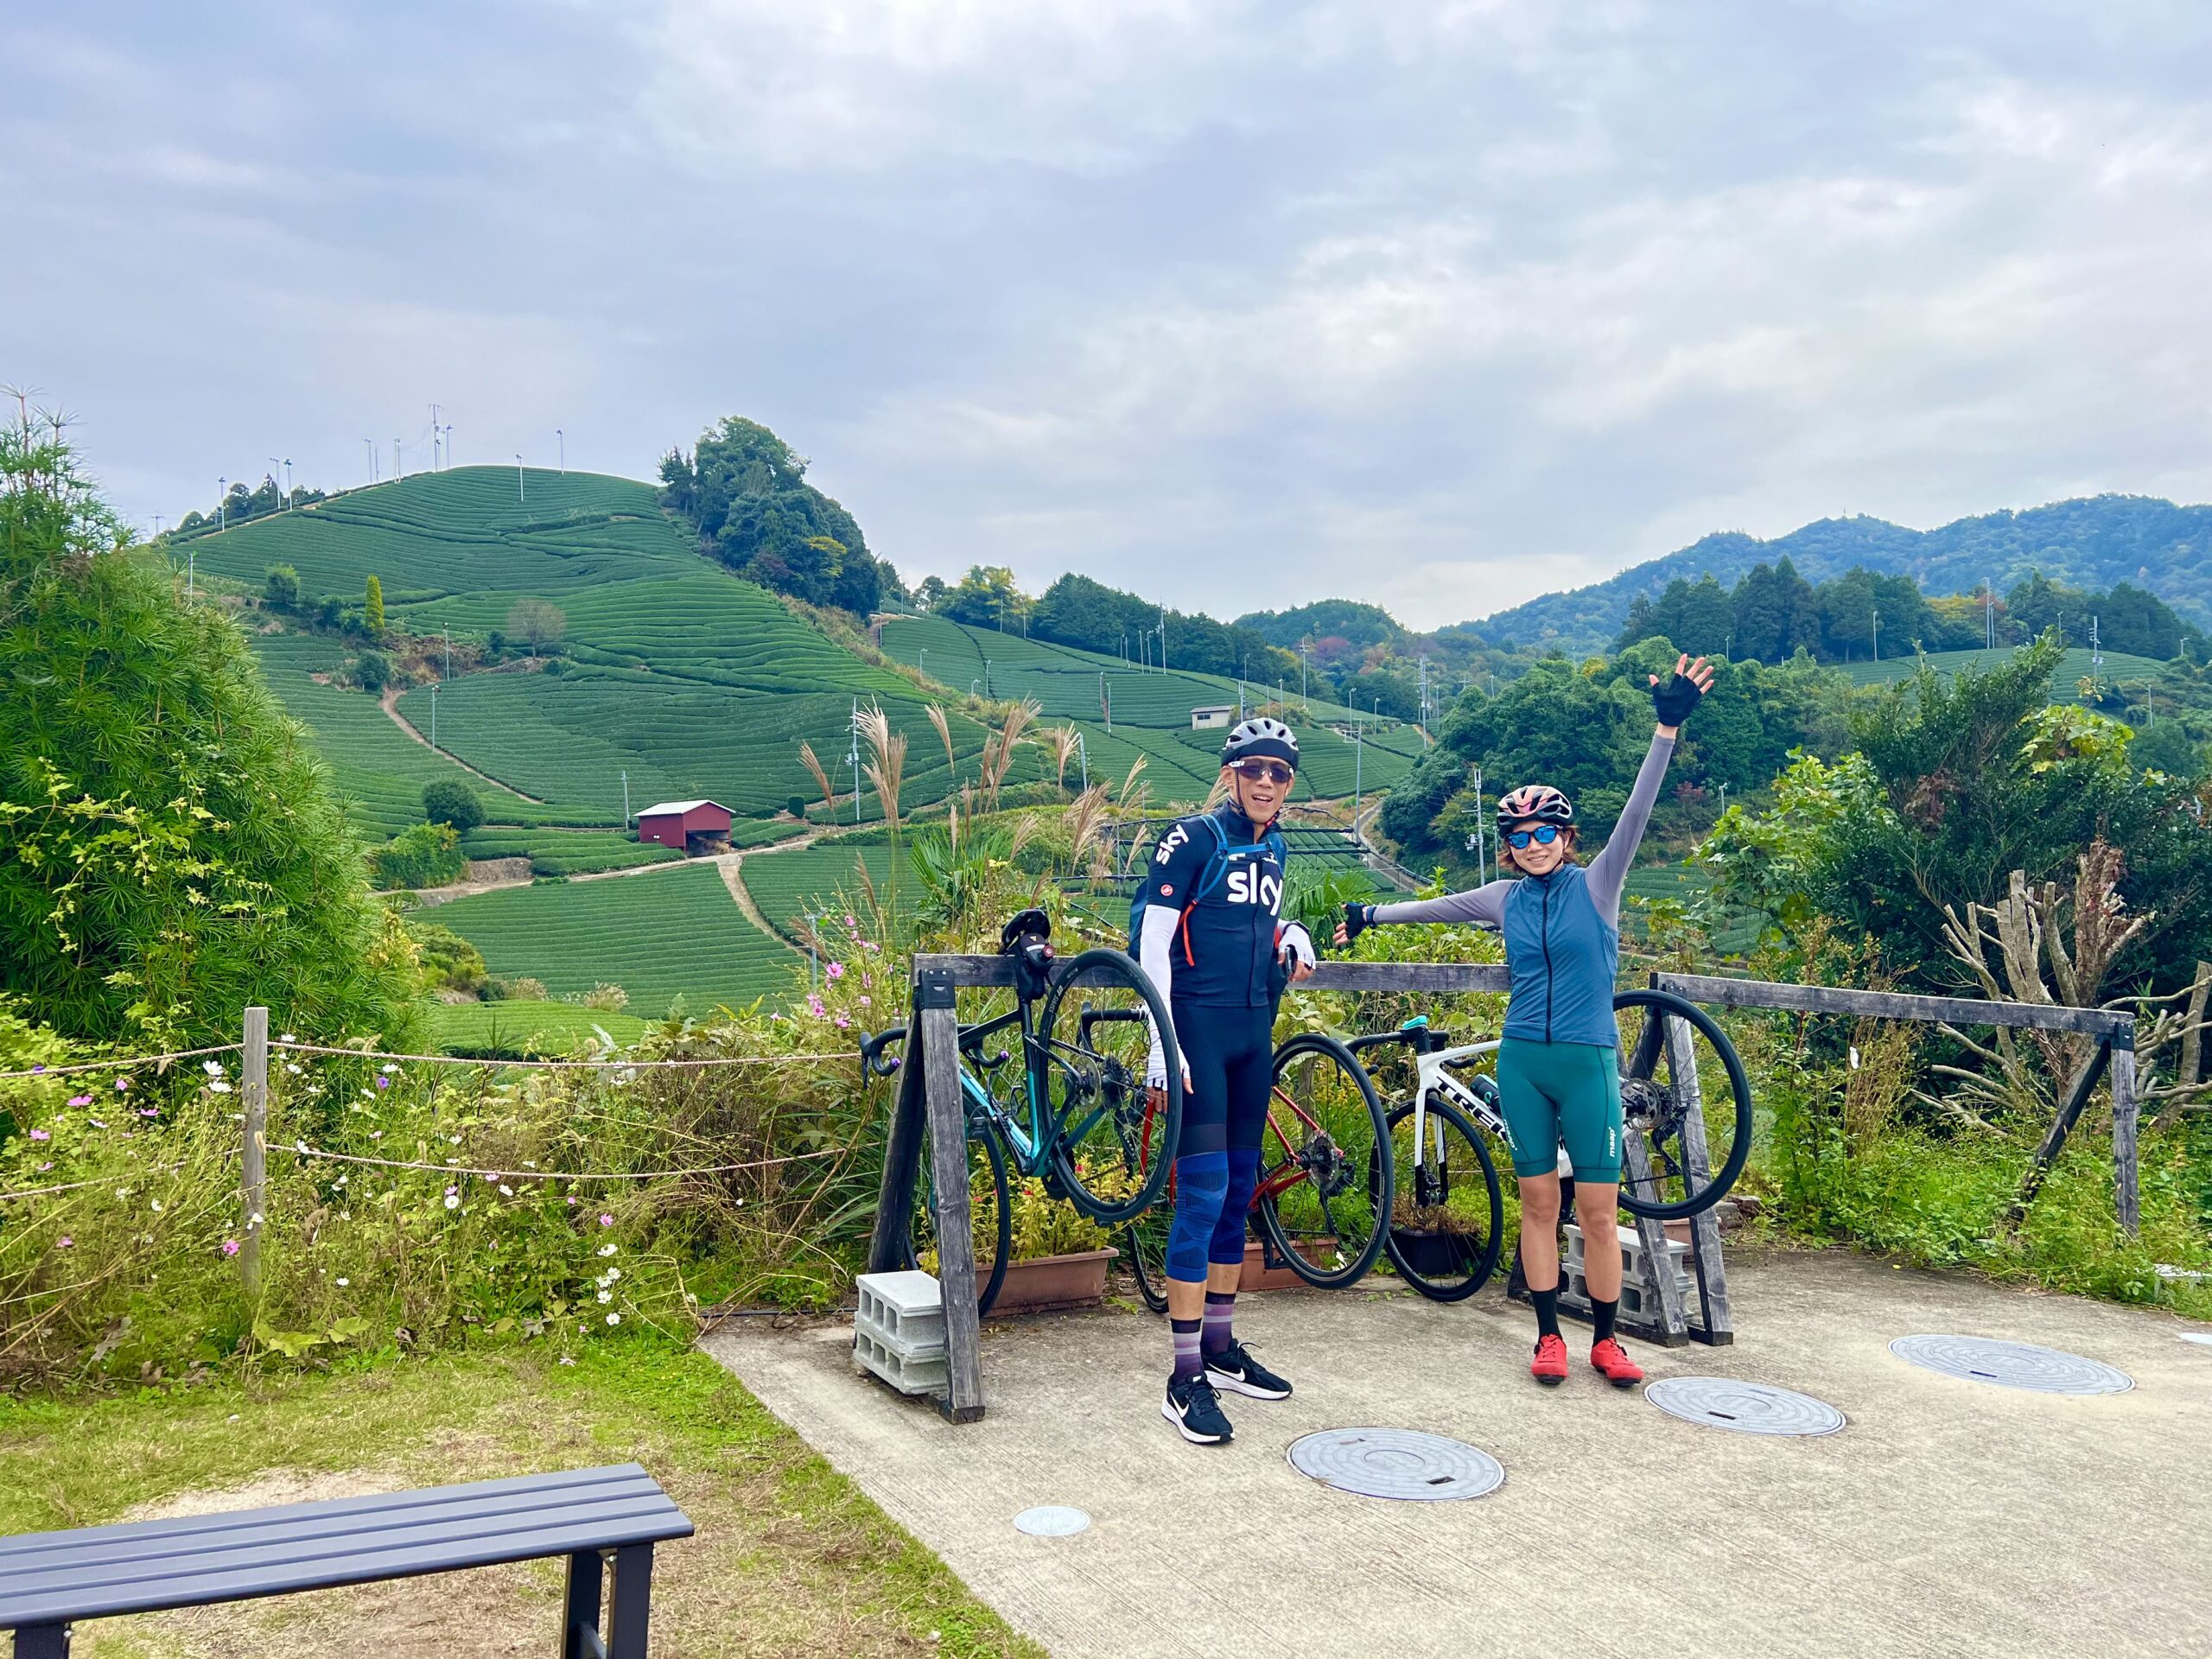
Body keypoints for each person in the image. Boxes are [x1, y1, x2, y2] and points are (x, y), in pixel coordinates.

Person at [1338, 654, 1713, 1389]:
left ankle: (1606, 1340)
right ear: (1509, 846)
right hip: (1524, 1061)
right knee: (1539, 1203)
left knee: (1599, 1212)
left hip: (1587, 1063)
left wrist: (1666, 728)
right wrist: (1367, 914)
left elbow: (1638, 810)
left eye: (1548, 833)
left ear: (1568, 839)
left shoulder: (1600, 883)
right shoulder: (1504, 898)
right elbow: (1433, 908)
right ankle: (1547, 1337)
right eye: (1521, 836)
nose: (1535, 844)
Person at [1140, 715, 1318, 1445]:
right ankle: (1183, 1377)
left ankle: (1219, 1348)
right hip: (1199, 1036)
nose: (1267, 782)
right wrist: (1163, 1037)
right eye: (1254, 770)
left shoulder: (1272, 846)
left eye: (1279, 772)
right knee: (1203, 1197)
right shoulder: (1193, 838)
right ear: (1230, 774)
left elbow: (1254, 924)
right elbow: (1155, 935)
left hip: (1252, 1035)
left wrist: (1292, 934)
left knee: (1238, 1196)